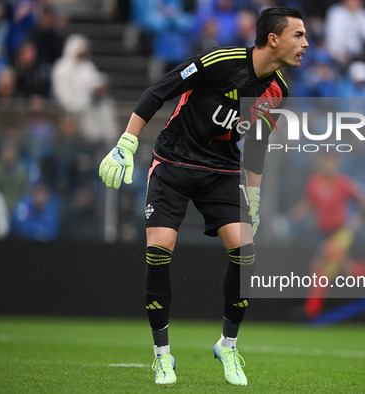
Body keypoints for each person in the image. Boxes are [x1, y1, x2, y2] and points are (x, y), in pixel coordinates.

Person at [98, 6, 308, 386]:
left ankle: (228, 345)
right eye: (299, 35)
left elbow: (258, 142)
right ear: (273, 39)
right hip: (173, 162)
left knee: (245, 253)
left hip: (223, 172)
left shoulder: (279, 89)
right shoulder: (220, 61)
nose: (306, 44)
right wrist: (126, 143)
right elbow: (157, 91)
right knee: (158, 251)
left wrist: (255, 199)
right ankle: (162, 355)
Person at [290, 153, 365, 319]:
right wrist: (297, 214)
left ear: (337, 163)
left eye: (331, 161)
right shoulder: (314, 181)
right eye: (325, 160)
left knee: (319, 264)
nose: (328, 164)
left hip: (341, 232)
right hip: (323, 234)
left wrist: (358, 219)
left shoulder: (343, 182)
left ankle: (310, 311)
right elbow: (307, 203)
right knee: (343, 269)